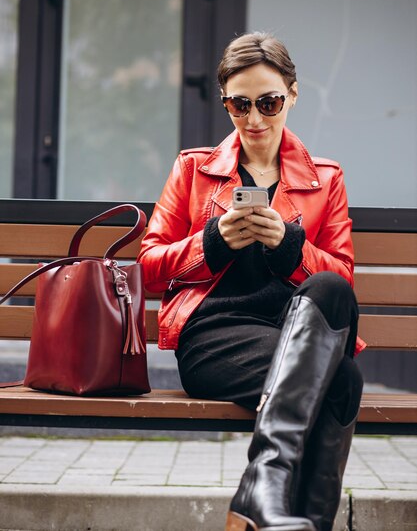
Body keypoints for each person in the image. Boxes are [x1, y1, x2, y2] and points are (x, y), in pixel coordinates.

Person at [138, 32, 366, 531]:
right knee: (342, 381)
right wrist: (212, 241)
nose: (255, 119)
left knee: (330, 292)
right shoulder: (193, 168)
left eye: (269, 101)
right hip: (214, 338)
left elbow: (343, 280)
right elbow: (151, 266)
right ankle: (276, 504)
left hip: (293, 332)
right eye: (240, 105)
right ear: (225, 103)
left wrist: (289, 246)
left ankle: (262, 493)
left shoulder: (325, 179)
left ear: (293, 94)